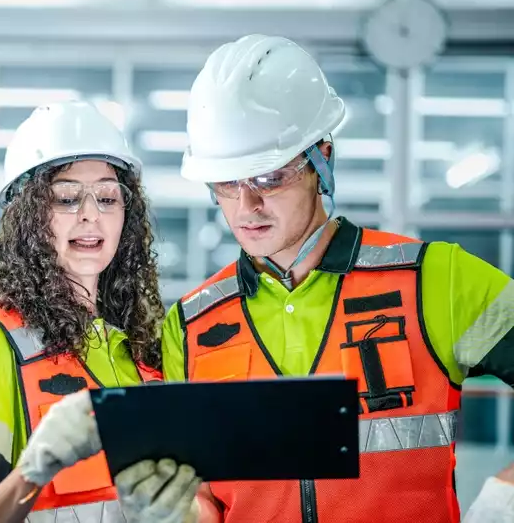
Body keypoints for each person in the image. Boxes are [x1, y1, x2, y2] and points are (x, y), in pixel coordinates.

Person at [151, 34, 514, 522]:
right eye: (225, 182)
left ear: (322, 158)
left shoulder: (436, 279)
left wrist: (500, 503)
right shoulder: (192, 324)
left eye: (267, 177)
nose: (246, 206)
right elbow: (194, 484)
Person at [0, 101, 205, 522]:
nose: (90, 215)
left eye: (108, 197)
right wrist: (34, 471)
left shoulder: (146, 352)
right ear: (27, 218)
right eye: (66, 197)